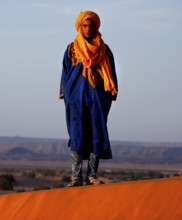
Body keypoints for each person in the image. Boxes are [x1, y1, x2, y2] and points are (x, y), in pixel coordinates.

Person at [59, 11, 118, 186]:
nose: (88, 28)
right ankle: (75, 177)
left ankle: (92, 176)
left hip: (98, 98)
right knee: (77, 134)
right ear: (80, 27)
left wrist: (111, 93)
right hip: (75, 97)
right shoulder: (71, 48)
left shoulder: (104, 49)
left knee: (96, 133)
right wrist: (64, 93)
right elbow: (65, 72)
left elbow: (112, 73)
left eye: (91, 25)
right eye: (85, 25)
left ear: (96, 26)